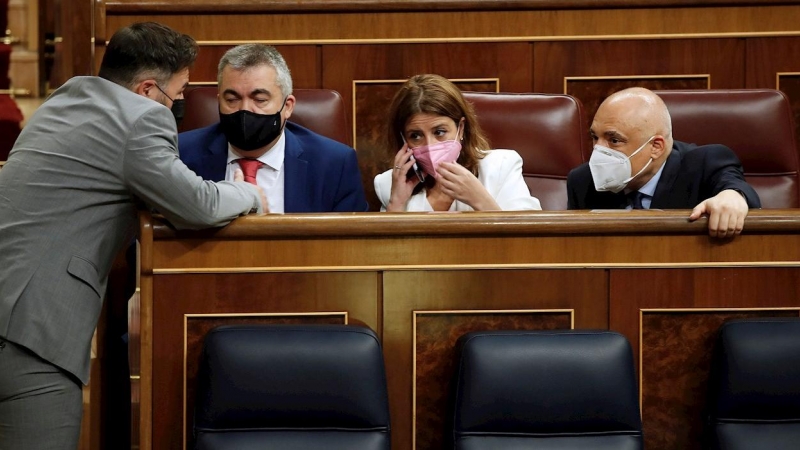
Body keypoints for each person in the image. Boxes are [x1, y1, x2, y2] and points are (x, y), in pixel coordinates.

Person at [0, 22, 266, 450]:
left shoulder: (64, 99)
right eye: (178, 94)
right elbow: (196, 204)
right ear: (146, 90)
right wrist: (249, 193)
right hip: (30, 330)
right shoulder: (140, 119)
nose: (180, 104)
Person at [179, 44, 368, 213]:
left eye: (259, 100)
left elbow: (350, 246)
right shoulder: (180, 156)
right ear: (218, 100)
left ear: (287, 106)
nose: (244, 109)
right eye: (232, 100)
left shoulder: (334, 164)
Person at [567, 87, 760, 239]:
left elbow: (734, 187)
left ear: (656, 146)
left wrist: (733, 196)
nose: (599, 150)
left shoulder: (705, 164)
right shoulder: (583, 181)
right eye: (595, 137)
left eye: (614, 140)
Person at [374, 74, 541, 212]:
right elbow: (388, 251)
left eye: (439, 132)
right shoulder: (388, 184)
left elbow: (529, 241)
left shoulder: (500, 167)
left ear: (460, 128)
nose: (430, 146)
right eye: (416, 136)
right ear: (404, 139)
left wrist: (480, 200)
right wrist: (396, 204)